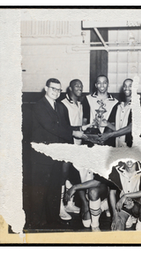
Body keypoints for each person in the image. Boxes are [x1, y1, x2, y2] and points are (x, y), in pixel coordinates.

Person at [29, 78, 85, 229]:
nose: (55, 92)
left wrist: (69, 150)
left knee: (54, 188)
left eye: (58, 90)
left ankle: (53, 219)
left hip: (57, 155)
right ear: (46, 88)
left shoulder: (61, 107)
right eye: (53, 88)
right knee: (39, 189)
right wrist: (75, 133)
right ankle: (35, 221)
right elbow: (52, 127)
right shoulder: (39, 106)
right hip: (41, 156)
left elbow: (65, 130)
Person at [60, 79, 92, 221]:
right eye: (77, 86)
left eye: (81, 85)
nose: (80, 88)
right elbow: (64, 128)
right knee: (63, 176)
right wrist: (80, 129)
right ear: (70, 88)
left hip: (79, 146)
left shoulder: (80, 103)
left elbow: (81, 124)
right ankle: (60, 207)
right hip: (67, 145)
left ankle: (69, 204)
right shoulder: (63, 104)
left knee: (73, 176)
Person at [108, 159, 141, 231]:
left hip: (137, 204)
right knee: (117, 229)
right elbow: (112, 192)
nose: (129, 160)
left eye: (132, 157)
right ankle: (128, 216)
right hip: (123, 203)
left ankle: (139, 225)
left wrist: (126, 196)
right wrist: (115, 216)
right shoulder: (116, 169)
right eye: (127, 157)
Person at [82, 75, 119, 146]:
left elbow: (115, 125)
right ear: (96, 85)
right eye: (99, 83)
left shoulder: (115, 102)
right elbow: (84, 120)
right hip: (90, 138)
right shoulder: (88, 99)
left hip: (107, 139)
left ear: (108, 84)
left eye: (104, 83)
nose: (102, 85)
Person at [98, 78, 133, 147]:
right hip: (117, 145)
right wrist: (108, 124)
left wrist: (109, 135)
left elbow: (131, 127)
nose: (127, 88)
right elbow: (117, 128)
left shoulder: (139, 106)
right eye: (125, 86)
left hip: (130, 147)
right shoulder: (118, 106)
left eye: (130, 86)